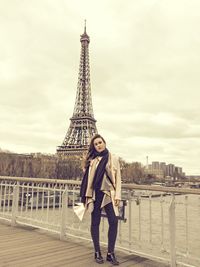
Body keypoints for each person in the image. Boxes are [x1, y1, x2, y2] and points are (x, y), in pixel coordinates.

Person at [80, 134, 121, 265]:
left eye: (100, 142)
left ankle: (110, 253)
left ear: (104, 142)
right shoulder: (93, 160)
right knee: (95, 222)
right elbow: (87, 179)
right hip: (96, 194)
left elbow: (118, 178)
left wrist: (118, 195)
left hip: (109, 194)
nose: (98, 145)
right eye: (96, 144)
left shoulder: (113, 158)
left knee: (114, 221)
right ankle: (97, 252)